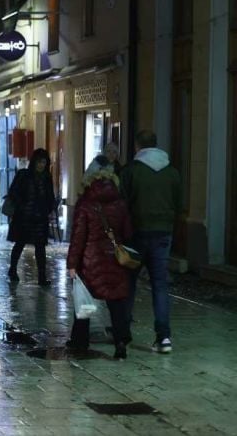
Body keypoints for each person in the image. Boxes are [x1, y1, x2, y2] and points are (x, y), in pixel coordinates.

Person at [119, 130, 181, 354]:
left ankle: (123, 334)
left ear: (138, 146)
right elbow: (179, 202)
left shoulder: (132, 171)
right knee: (160, 285)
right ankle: (164, 337)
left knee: (129, 283)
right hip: (163, 233)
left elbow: (122, 202)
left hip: (136, 234)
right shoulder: (172, 172)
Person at [66, 171, 133, 359]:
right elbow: (128, 233)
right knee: (117, 303)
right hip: (114, 259)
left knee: (84, 301)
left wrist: (72, 264)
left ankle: (80, 341)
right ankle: (121, 342)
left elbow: (78, 237)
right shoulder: (120, 204)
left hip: (91, 260)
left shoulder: (85, 204)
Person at [6, 148, 57, 286]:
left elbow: (50, 196)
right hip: (24, 217)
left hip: (40, 218)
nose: (41, 165)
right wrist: (22, 206)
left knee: (40, 247)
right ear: (34, 162)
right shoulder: (24, 175)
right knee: (20, 244)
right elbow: (14, 192)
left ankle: (41, 277)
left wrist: (50, 208)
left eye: (44, 162)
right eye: (39, 162)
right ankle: (12, 270)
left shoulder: (47, 178)